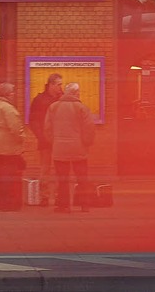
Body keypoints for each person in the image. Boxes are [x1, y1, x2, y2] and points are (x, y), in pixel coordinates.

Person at [44, 82, 95, 213]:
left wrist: (54, 142)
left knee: (62, 179)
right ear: (76, 93)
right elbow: (89, 128)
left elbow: (47, 129)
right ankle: (85, 205)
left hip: (59, 148)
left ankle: (64, 205)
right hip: (79, 148)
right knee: (82, 177)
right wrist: (86, 143)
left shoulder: (53, 107)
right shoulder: (82, 108)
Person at [0, 82, 26, 211]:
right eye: (12, 92)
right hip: (10, 149)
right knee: (12, 179)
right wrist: (22, 139)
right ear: (7, 94)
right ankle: (11, 205)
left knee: (0, 178)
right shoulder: (8, 108)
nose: (14, 95)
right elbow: (16, 129)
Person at [28, 73, 63, 206]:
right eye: (59, 84)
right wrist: (41, 136)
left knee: (61, 169)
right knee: (45, 169)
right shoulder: (40, 100)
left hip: (60, 140)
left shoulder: (63, 99)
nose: (61, 87)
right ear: (51, 84)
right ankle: (45, 196)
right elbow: (34, 121)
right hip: (46, 141)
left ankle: (60, 195)